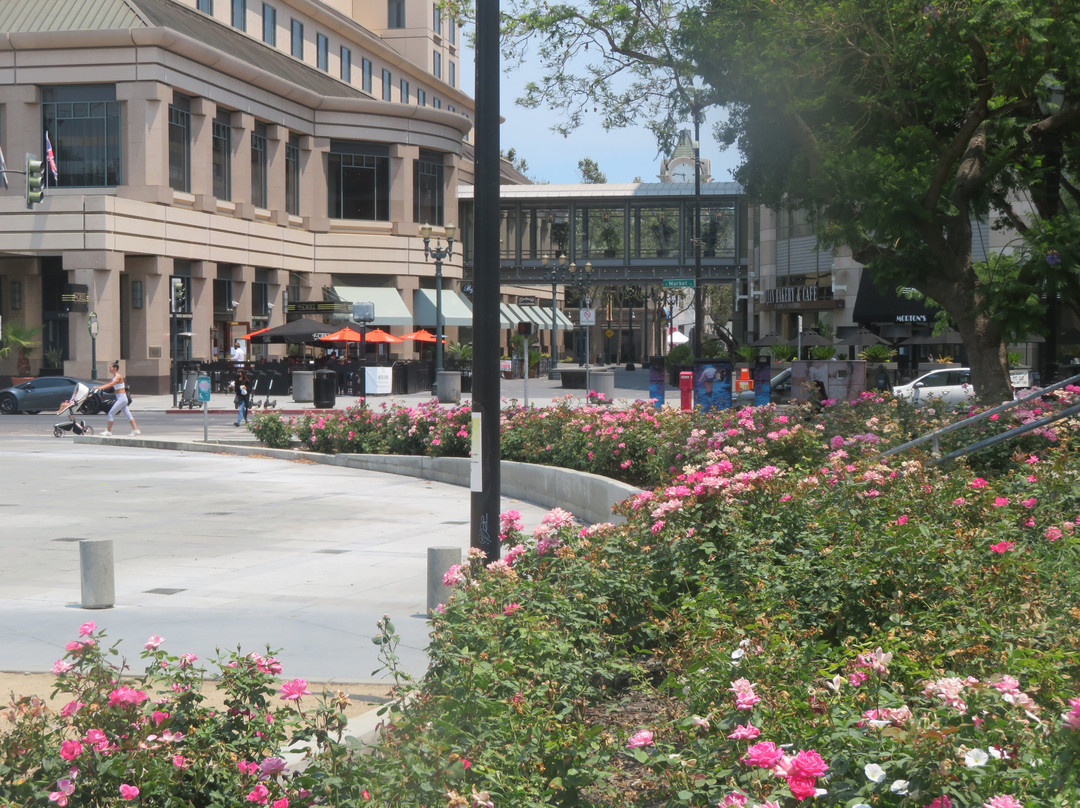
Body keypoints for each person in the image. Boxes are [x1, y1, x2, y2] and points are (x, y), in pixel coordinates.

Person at [94, 361, 140, 437]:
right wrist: (100, 387)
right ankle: (135, 430)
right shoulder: (115, 377)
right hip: (121, 398)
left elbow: (111, 384)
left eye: (111, 367)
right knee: (128, 415)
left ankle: (108, 431)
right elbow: (109, 384)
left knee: (110, 413)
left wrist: (100, 388)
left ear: (115, 368)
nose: (109, 368)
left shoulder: (118, 377)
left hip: (121, 398)